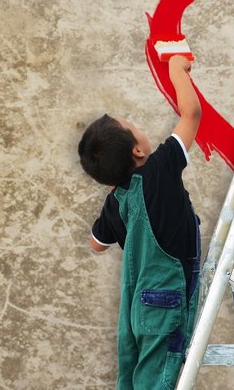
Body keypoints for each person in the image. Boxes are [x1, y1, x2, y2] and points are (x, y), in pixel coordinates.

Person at [77, 54, 201, 389]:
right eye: (133, 126)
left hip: (137, 306)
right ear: (137, 151)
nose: (140, 128)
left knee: (134, 379)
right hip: (165, 302)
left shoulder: (116, 202)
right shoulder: (160, 169)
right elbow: (192, 114)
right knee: (156, 383)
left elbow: (95, 243)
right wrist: (177, 69)